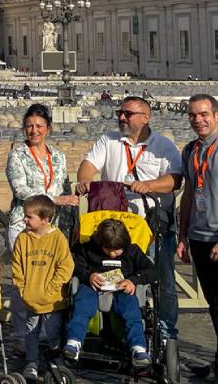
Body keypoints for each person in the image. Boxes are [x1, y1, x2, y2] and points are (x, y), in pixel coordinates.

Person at [76, 96, 182, 342]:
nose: (122, 117)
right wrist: (85, 180)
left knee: (161, 279)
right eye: (120, 113)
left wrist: (148, 185)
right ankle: (119, 329)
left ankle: (166, 333)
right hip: (117, 229)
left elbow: (175, 180)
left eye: (128, 114)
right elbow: (88, 165)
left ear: (145, 117)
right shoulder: (109, 140)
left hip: (153, 223)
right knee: (117, 277)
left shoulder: (163, 145)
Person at [63, 219, 154, 367]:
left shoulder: (132, 251)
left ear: (124, 244)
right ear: (100, 243)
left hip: (122, 288)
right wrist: (88, 275)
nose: (112, 253)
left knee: (132, 311)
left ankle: (138, 348)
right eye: (108, 249)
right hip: (92, 285)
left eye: (117, 250)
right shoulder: (87, 249)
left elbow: (151, 271)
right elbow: (74, 265)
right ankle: (74, 342)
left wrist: (133, 280)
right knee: (81, 306)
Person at [11, 195, 74, 382]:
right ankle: (31, 362)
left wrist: (52, 289)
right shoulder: (23, 238)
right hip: (30, 298)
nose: (25, 219)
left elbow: (65, 267)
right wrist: (22, 289)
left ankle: (55, 361)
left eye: (29, 217)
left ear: (45, 219)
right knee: (31, 331)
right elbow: (16, 267)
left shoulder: (57, 238)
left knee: (54, 331)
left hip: (53, 300)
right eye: (25, 216)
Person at [176, 94, 218, 377]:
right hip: (200, 237)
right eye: (192, 115)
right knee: (214, 304)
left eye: (203, 114)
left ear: (216, 114)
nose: (197, 120)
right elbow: (189, 192)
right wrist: (182, 234)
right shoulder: (191, 150)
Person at [6, 104, 76, 247]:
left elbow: (63, 186)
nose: (34, 131)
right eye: (29, 126)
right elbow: (20, 190)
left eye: (39, 126)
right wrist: (54, 199)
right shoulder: (17, 155)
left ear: (48, 128)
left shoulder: (59, 156)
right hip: (24, 226)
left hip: (52, 226)